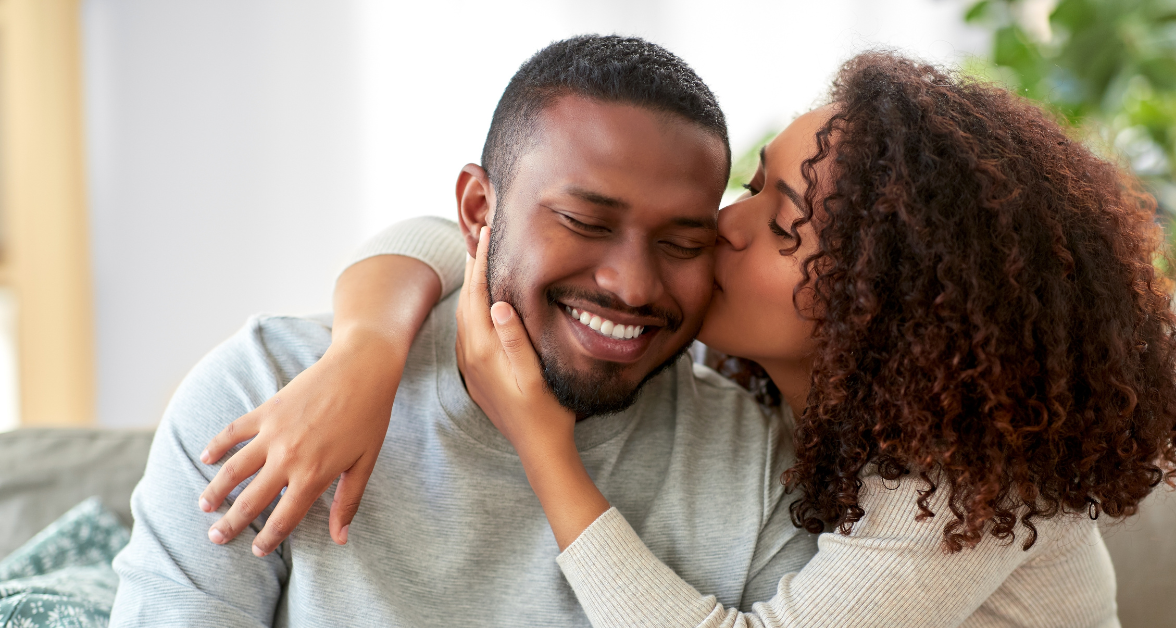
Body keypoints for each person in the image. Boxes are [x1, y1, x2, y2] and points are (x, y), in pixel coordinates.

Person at [199, 53, 1176, 626]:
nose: (725, 222)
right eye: (754, 183)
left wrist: (545, 445)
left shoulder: (960, 487)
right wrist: (366, 351)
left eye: (778, 218)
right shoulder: (803, 402)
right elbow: (461, 236)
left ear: (879, 304)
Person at [109, 35, 817, 628]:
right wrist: (367, 345)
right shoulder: (265, 391)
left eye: (682, 242)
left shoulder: (758, 465)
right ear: (479, 210)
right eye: (584, 223)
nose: (632, 286)